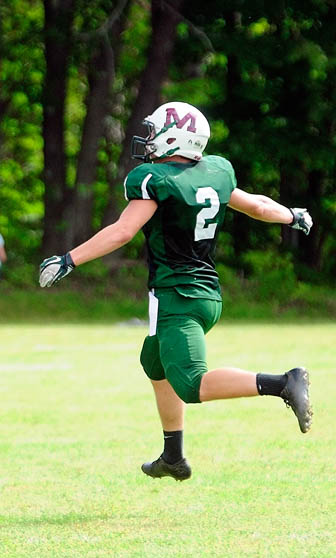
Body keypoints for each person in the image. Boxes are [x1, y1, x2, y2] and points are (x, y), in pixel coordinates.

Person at [38, 101, 313, 481]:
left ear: (175, 137)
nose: (148, 141)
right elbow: (259, 207)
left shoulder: (157, 180)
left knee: (191, 383)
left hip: (178, 297)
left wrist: (69, 259)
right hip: (205, 295)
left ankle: (283, 383)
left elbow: (122, 231)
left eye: (154, 133)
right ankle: (172, 456)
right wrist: (293, 215)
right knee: (155, 363)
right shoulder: (215, 172)